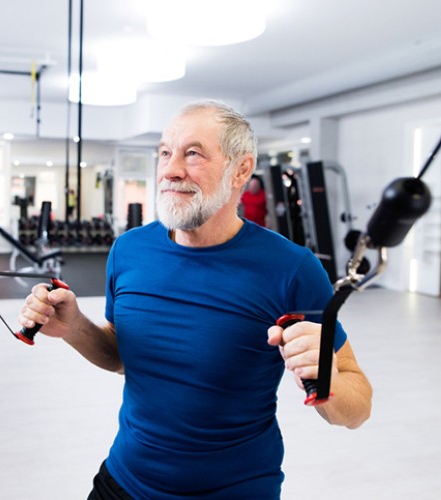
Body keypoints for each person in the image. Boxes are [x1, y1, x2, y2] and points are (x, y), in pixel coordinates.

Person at [19, 100, 372, 499]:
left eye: (193, 153)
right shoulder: (128, 250)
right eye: (165, 153)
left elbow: (357, 407)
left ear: (241, 169)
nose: (170, 170)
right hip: (124, 480)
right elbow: (121, 357)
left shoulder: (292, 269)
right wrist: (75, 327)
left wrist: (324, 374)